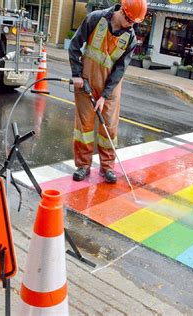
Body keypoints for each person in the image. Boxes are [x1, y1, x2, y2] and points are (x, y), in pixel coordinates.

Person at [69, 0, 147, 183]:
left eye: (133, 22)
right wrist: (76, 74)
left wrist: (105, 95)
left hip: (110, 87)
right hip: (86, 81)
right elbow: (74, 46)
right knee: (84, 127)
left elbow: (120, 68)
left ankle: (107, 167)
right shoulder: (95, 19)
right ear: (121, 9)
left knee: (109, 128)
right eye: (127, 19)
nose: (129, 24)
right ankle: (83, 165)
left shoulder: (130, 38)